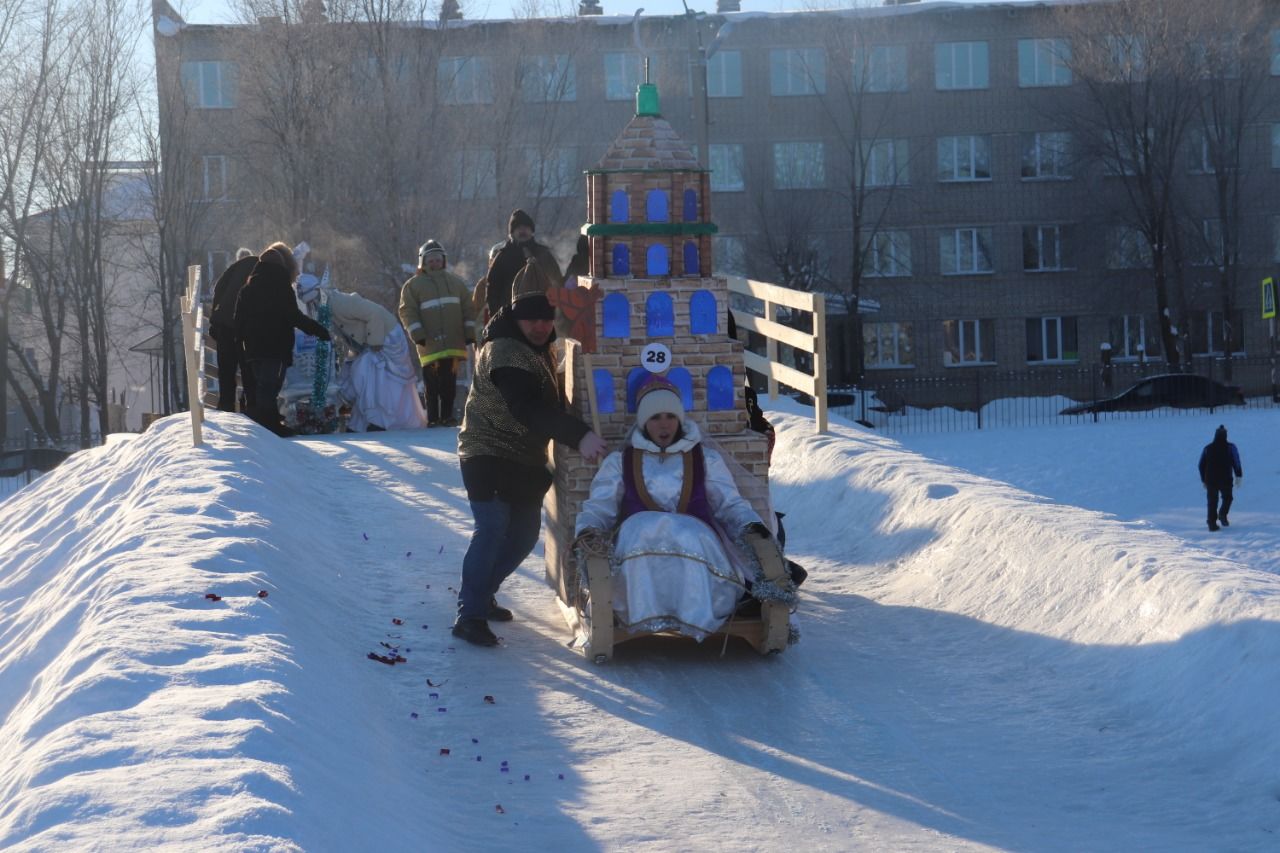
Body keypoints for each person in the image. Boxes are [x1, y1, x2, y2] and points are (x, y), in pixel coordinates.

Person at [453, 260, 607, 647]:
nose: (540, 325)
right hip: (487, 452)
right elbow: (527, 407)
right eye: (531, 318)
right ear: (515, 314)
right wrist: (579, 434)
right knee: (491, 530)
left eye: (546, 317)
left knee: (523, 536)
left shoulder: (540, 347)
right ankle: (469, 614)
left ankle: (483, 593)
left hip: (523, 459)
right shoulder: (504, 349)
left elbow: (547, 392)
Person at [573, 374, 780, 642]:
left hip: (697, 542)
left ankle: (694, 613)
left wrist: (750, 525)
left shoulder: (705, 458)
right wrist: (589, 529)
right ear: (644, 421)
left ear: (679, 419)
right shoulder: (620, 461)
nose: (664, 424)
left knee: (688, 533)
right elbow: (600, 506)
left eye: (670, 416)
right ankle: (641, 612)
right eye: (655, 417)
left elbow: (729, 504)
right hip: (639, 542)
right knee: (639, 529)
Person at [298, 278, 426, 432]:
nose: (312, 306)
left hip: (386, 338)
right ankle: (364, 421)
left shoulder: (339, 303)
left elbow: (374, 314)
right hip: (373, 342)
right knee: (356, 370)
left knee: (369, 371)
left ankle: (379, 421)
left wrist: (375, 342)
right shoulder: (328, 308)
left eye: (313, 301)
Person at [233, 242, 332, 437]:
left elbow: (239, 320)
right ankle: (269, 429)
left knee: (263, 386)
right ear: (281, 267)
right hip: (275, 348)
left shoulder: (247, 289)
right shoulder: (281, 288)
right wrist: (318, 330)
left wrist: (241, 343)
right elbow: (293, 316)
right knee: (270, 388)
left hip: (253, 350)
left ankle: (268, 425)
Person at [398, 240, 476, 427]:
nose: (434, 263)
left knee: (449, 383)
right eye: (430, 260)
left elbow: (468, 309)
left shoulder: (456, 283)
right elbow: (407, 311)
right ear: (423, 262)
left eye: (437, 260)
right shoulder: (413, 286)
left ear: (444, 261)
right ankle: (433, 418)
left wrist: (469, 333)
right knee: (431, 384)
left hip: (453, 343)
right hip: (429, 344)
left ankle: (447, 417)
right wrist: (417, 334)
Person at [482, 208, 562, 321]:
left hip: (541, 316)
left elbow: (557, 281)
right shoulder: (503, 257)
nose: (523, 231)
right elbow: (493, 289)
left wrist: (554, 312)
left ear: (531, 230)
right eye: (519, 228)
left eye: (526, 228)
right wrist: (497, 317)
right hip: (510, 317)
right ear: (512, 232)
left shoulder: (543, 253)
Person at [209, 247, 257, 412]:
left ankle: (226, 405)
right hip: (246, 329)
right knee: (248, 368)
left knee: (226, 369)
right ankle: (250, 404)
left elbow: (218, 291)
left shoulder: (231, 272)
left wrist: (214, 321)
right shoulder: (258, 271)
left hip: (226, 326)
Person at [1199, 424, 1243, 531]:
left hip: (1211, 479)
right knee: (1227, 498)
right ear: (1225, 436)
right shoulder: (1231, 447)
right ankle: (1223, 513)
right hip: (1226, 478)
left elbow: (1201, 464)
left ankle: (1212, 524)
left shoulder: (1207, 448)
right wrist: (1239, 475)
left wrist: (1203, 480)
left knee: (1212, 501)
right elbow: (1236, 461)